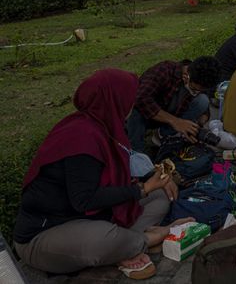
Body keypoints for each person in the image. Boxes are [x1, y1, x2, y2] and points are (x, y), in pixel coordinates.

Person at [14, 69, 190, 278]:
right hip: (47, 234)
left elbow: (120, 171)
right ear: (114, 101)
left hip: (93, 217)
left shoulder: (104, 126)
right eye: (128, 99)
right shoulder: (81, 136)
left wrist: (155, 179)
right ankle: (149, 239)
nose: (132, 106)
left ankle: (125, 246)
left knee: (161, 196)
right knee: (99, 241)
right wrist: (143, 188)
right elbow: (84, 200)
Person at [126, 57, 221, 152]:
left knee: (203, 101)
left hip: (168, 115)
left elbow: (204, 109)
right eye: (195, 89)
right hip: (147, 114)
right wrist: (176, 122)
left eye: (201, 90)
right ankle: (135, 150)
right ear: (186, 75)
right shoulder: (164, 71)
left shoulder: (202, 78)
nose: (196, 92)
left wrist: (197, 125)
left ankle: (162, 136)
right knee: (136, 108)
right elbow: (141, 99)